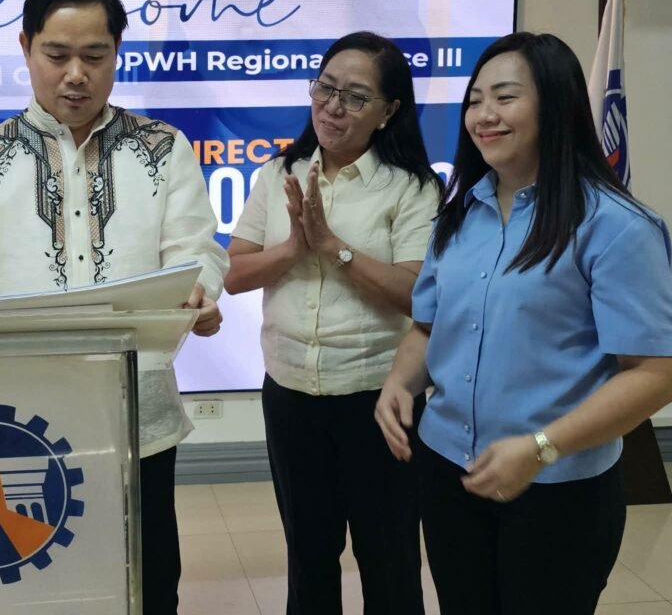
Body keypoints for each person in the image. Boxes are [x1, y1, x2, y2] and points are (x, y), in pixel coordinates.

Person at [0, 0, 229, 614]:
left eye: (95, 56)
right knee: (42, 582)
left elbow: (195, 250)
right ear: (26, 48)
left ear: (118, 53)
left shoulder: (163, 149)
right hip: (24, 420)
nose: (76, 75)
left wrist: (198, 291)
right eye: (56, 56)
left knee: (149, 577)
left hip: (139, 411)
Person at [375, 32, 672, 615]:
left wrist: (541, 447)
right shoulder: (459, 215)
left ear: (556, 105)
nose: (484, 115)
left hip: (558, 487)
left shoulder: (615, 225)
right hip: (449, 470)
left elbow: (656, 372)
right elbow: (428, 328)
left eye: (505, 97)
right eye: (475, 100)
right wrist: (398, 382)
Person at [225, 31, 442, 615]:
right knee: (309, 555)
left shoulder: (413, 188)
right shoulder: (279, 173)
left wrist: (333, 248)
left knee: (388, 557)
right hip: (291, 393)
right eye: (324, 88)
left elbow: (416, 295)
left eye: (354, 96)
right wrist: (293, 249)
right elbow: (235, 274)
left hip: (378, 398)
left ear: (388, 111)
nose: (332, 106)